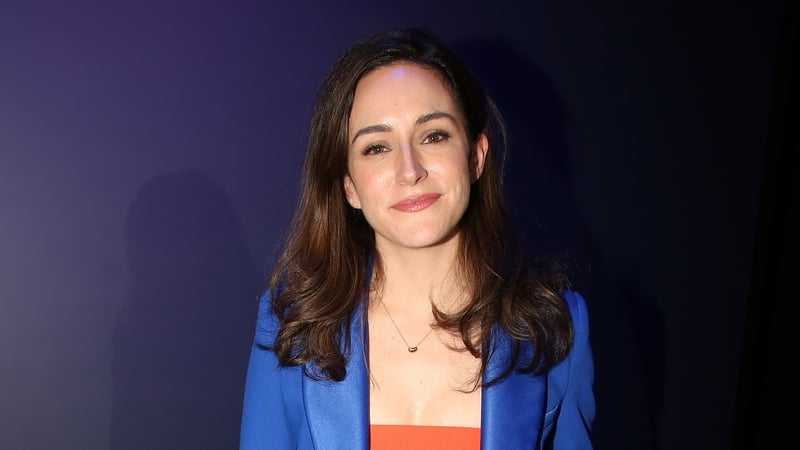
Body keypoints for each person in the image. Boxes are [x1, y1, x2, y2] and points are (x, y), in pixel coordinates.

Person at [240, 27, 595, 449]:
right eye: (376, 147)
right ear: (349, 186)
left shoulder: (554, 326)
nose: (410, 171)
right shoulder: (293, 323)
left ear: (476, 156)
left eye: (433, 136)